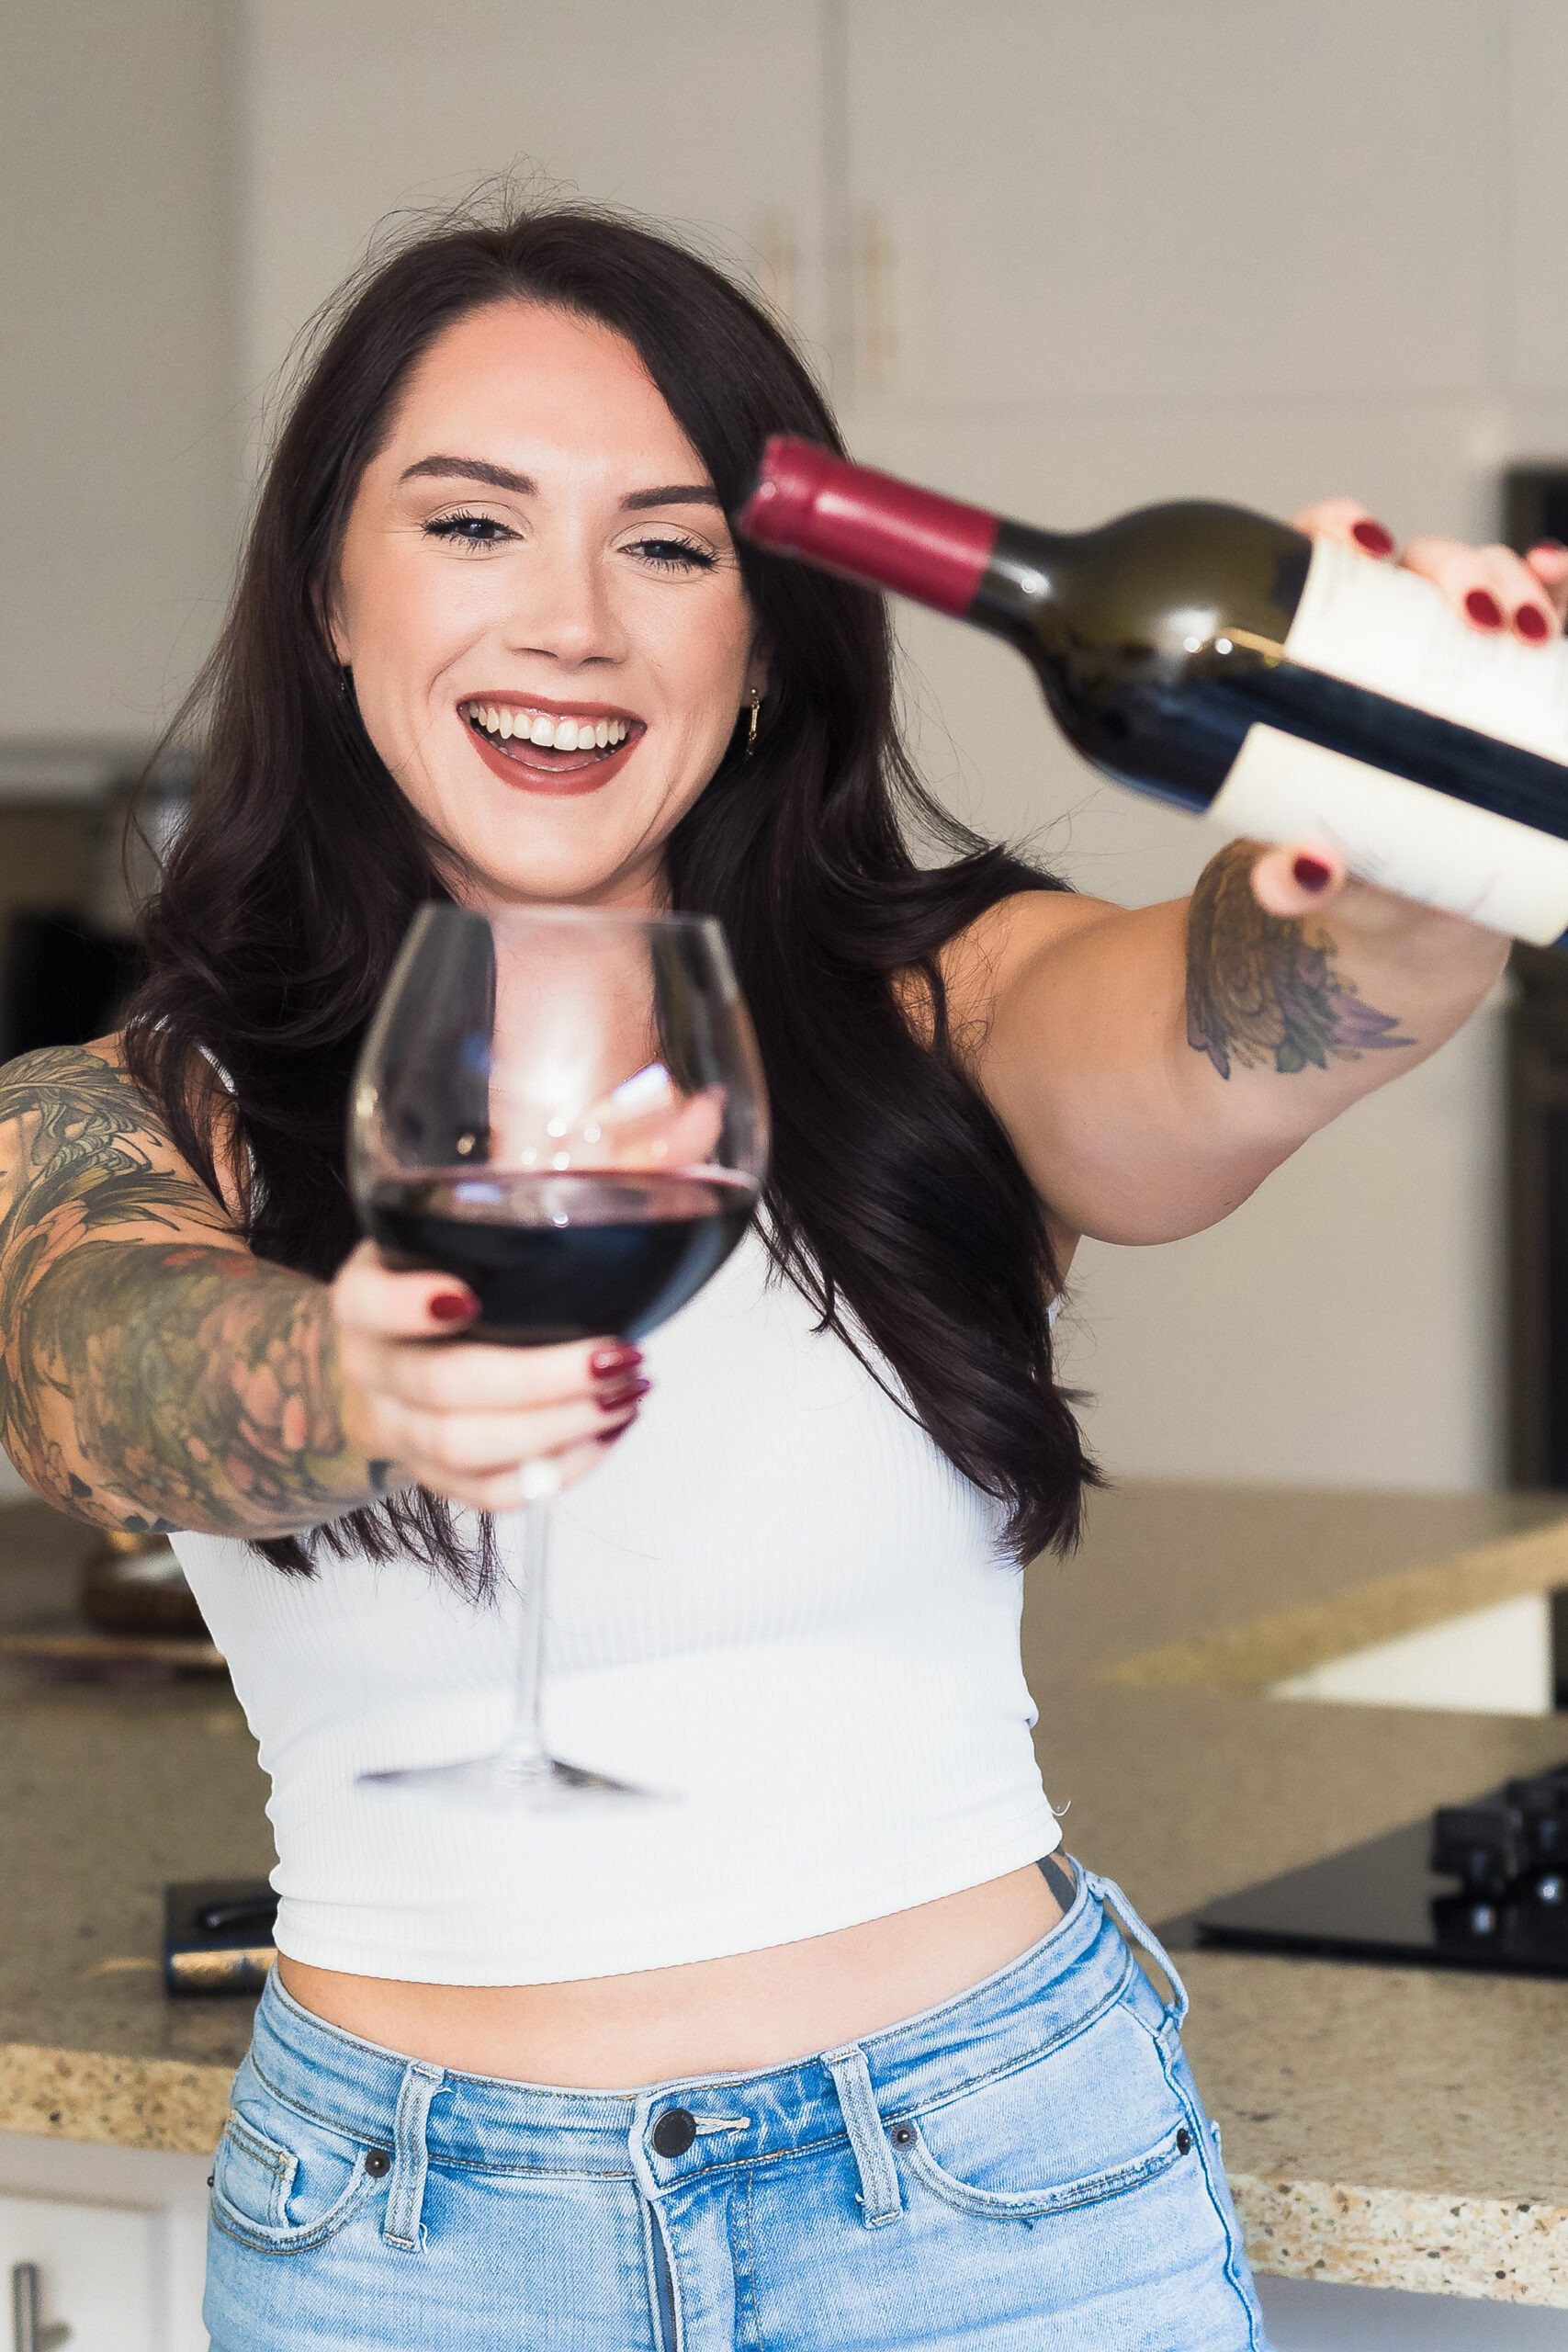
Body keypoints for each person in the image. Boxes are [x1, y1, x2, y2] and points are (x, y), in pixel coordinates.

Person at [1, 201, 1562, 2352]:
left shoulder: (954, 1011)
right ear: (326, 596)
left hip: (987, 2195)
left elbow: (1253, 1006)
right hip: (402, 2241)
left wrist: (1413, 877)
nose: (572, 624)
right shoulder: (131, 1106)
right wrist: (338, 1367)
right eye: (472, 524)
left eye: (667, 544)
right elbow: (92, 1355)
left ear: (764, 633)